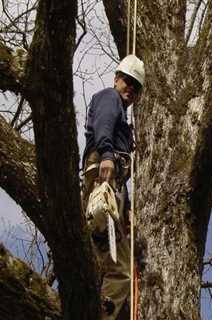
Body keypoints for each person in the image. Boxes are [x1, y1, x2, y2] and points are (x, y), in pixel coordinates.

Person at [81, 54, 145, 320]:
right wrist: (107, 153)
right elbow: (103, 124)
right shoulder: (110, 98)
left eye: (135, 86)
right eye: (127, 81)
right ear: (116, 78)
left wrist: (127, 208)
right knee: (119, 270)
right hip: (103, 180)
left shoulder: (121, 111)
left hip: (111, 187)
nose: (129, 88)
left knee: (108, 260)